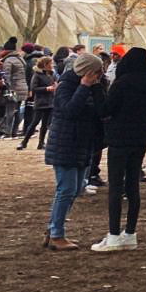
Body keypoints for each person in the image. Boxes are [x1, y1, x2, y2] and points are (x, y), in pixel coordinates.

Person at [94, 48, 146, 252]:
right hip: (140, 138)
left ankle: (113, 234)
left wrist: (98, 90)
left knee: (116, 186)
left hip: (119, 138)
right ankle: (130, 233)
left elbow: (104, 110)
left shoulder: (121, 84)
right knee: (133, 185)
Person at [40, 51, 105, 250]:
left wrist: (95, 89)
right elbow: (68, 111)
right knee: (66, 189)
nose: (101, 74)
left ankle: (53, 229)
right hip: (66, 143)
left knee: (76, 189)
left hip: (82, 144)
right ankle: (56, 233)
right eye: (97, 71)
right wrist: (84, 87)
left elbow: (99, 110)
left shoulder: (93, 87)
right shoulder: (67, 86)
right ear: (86, 71)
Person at [18, 55, 57, 150]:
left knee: (45, 124)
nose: (52, 65)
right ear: (45, 64)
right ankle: (24, 142)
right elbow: (34, 88)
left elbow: (54, 83)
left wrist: (55, 86)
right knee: (35, 122)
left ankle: (41, 142)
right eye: (50, 63)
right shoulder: (37, 75)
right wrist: (47, 88)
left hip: (50, 101)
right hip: (40, 102)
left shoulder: (52, 74)